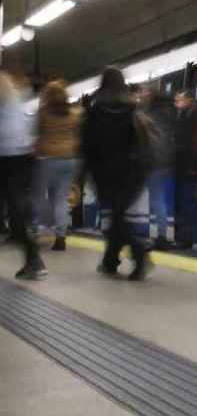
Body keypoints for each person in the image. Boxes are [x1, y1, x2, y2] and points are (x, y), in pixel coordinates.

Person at [81, 67, 153, 280]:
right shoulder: (133, 108)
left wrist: (87, 173)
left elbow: (88, 145)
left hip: (106, 173)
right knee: (118, 217)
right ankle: (110, 260)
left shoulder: (95, 110)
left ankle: (138, 254)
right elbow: (142, 142)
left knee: (117, 218)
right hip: (133, 172)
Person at [0, 70, 45, 279]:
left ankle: (33, 258)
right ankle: (33, 258)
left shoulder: (8, 104)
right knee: (17, 211)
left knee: (16, 213)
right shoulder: (18, 101)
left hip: (9, 160)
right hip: (23, 159)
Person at [34, 80, 82, 251]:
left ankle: (45, 224)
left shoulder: (43, 113)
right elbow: (77, 135)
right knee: (61, 198)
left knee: (40, 196)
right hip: (69, 159)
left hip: (48, 158)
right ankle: (60, 236)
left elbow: (37, 133)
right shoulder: (73, 114)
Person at [140, 83, 175, 250]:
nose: (142, 95)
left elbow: (150, 139)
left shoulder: (151, 114)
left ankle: (161, 235)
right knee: (158, 198)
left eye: (144, 92)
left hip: (152, 161)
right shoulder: (170, 111)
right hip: (164, 161)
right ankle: (161, 234)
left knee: (156, 199)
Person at [173, 90, 197, 249]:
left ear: (188, 100)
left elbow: (189, 143)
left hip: (189, 167)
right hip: (186, 166)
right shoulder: (185, 115)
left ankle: (187, 237)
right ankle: (189, 235)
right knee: (188, 201)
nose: (176, 104)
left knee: (187, 202)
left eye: (179, 101)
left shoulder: (191, 116)